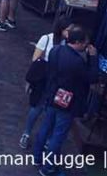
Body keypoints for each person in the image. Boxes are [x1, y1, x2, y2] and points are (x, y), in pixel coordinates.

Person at [32, 25, 98, 176]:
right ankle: (48, 167)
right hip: (67, 100)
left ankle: (37, 156)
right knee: (58, 134)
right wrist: (93, 58)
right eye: (85, 44)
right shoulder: (76, 62)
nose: (86, 46)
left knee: (45, 126)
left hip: (52, 93)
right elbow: (92, 77)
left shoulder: (55, 50)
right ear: (78, 42)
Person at [20, 17, 71, 150]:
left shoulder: (69, 44)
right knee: (37, 108)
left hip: (59, 80)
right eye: (68, 30)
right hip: (44, 79)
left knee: (52, 111)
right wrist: (30, 81)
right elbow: (35, 60)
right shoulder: (46, 39)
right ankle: (26, 133)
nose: (70, 33)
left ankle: (46, 138)